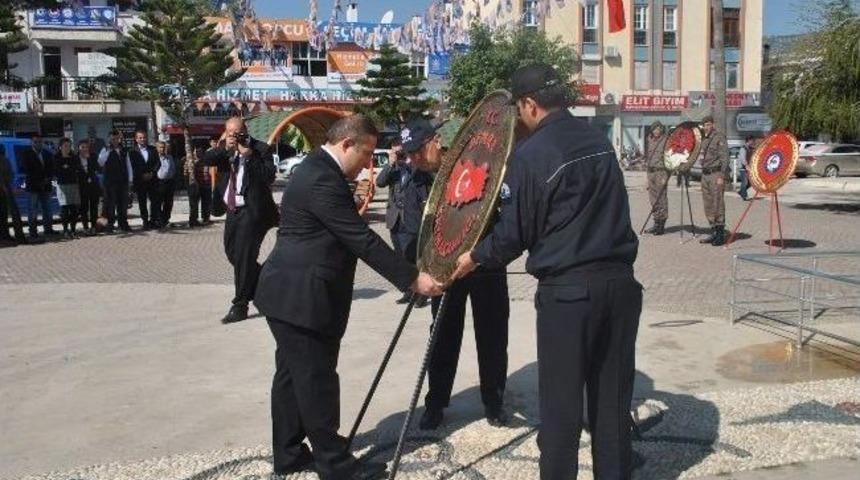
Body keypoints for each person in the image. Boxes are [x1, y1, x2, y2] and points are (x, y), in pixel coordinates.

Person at [452, 64, 642, 480]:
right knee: (612, 407)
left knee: (561, 411)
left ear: (528, 104)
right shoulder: (600, 141)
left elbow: (512, 235)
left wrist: (474, 258)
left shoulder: (532, 155)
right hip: (622, 287)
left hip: (570, 296)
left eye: (520, 111)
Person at [253, 115, 442, 480]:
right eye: (367, 153)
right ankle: (335, 465)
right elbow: (361, 240)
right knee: (316, 380)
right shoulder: (322, 179)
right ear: (346, 145)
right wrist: (413, 279)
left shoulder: (317, 169)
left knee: (292, 377)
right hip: (302, 298)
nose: (369, 163)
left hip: (289, 294)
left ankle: (289, 453)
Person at [399, 117, 512, 431]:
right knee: (442, 338)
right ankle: (436, 403)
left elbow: (502, 216)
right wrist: (423, 264)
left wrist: (483, 255)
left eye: (419, 151)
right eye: (409, 154)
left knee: (492, 336)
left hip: (483, 266)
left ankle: (494, 401)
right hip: (444, 275)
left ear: (435, 140)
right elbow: (411, 234)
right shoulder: (417, 183)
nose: (415, 159)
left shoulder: (474, 163)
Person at [204, 117, 279, 324]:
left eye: (237, 132)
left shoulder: (261, 149)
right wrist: (225, 148)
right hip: (232, 210)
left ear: (245, 130)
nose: (234, 136)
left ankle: (240, 305)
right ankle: (265, 283)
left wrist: (250, 157)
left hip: (253, 212)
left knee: (244, 257)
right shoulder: (224, 150)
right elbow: (206, 160)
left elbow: (269, 176)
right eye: (230, 132)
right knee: (233, 254)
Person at [374, 137, 433, 307]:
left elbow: (427, 178)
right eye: (394, 150)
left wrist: (411, 161)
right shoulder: (394, 168)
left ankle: (421, 293)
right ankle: (409, 291)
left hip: (412, 219)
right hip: (395, 220)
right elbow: (380, 182)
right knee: (401, 258)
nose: (398, 153)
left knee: (416, 257)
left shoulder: (418, 167)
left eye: (400, 150)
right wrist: (391, 163)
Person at [697, 115, 730, 246]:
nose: (707, 127)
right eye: (705, 125)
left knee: (718, 204)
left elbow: (725, 158)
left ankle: (721, 234)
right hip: (705, 175)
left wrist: (722, 176)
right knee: (708, 204)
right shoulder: (704, 139)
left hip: (716, 174)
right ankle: (713, 232)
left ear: (713, 125)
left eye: (709, 124)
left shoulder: (719, 137)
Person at [21, 134, 56, 239]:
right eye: (35, 142)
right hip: (33, 186)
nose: (38, 144)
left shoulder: (47, 154)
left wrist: (47, 179)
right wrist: (39, 181)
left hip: (46, 186)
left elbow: (51, 168)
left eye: (40, 142)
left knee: (47, 209)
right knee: (32, 209)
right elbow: (26, 169)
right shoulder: (26, 154)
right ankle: (33, 231)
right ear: (31, 142)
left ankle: (48, 229)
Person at [98, 130, 133, 233]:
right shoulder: (105, 149)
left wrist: (130, 180)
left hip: (123, 181)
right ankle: (110, 225)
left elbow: (128, 165)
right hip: (110, 182)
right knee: (110, 204)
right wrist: (108, 151)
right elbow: (100, 162)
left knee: (123, 204)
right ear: (109, 139)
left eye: (117, 138)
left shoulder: (124, 150)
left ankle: (123, 224)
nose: (115, 141)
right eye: (113, 139)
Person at [128, 130, 159, 230]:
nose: (142, 139)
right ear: (136, 139)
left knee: (154, 201)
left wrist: (151, 173)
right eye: (140, 138)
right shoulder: (132, 151)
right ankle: (145, 221)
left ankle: (153, 221)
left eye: (144, 137)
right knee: (142, 202)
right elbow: (131, 166)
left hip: (152, 180)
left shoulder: (153, 149)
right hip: (140, 181)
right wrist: (141, 175)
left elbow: (158, 163)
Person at [53, 138, 84, 239]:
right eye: (65, 146)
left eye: (69, 146)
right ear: (60, 146)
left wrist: (67, 168)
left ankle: (73, 230)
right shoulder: (56, 158)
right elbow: (57, 171)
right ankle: (65, 230)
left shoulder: (74, 157)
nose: (67, 148)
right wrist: (67, 168)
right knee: (65, 208)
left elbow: (77, 168)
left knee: (74, 209)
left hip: (73, 184)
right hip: (62, 185)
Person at [644, 121, 670, 235]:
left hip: (661, 172)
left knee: (661, 198)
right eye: (654, 129)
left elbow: (670, 158)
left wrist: (667, 175)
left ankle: (661, 225)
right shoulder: (649, 139)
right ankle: (656, 222)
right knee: (653, 199)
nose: (656, 131)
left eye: (659, 129)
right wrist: (646, 178)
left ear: (662, 130)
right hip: (651, 172)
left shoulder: (666, 140)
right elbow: (648, 158)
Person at [0, 145, 26, 244]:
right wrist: (5, 188)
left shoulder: (4, 160)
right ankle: (18, 236)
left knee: (3, 215)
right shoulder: (4, 160)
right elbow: (9, 176)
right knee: (14, 214)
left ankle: (4, 236)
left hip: (5, 188)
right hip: (5, 189)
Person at [76, 140, 101, 235]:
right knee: (84, 208)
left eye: (86, 147)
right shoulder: (75, 158)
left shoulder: (93, 156)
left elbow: (98, 168)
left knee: (94, 207)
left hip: (93, 186)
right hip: (82, 186)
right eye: (82, 147)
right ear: (79, 148)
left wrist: (89, 159)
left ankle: (93, 227)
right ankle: (85, 227)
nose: (84, 149)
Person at [151, 141, 176, 229]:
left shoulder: (169, 157)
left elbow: (173, 169)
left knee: (168, 203)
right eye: (160, 147)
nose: (162, 149)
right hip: (158, 183)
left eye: (163, 147)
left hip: (169, 182)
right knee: (158, 203)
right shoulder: (154, 158)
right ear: (156, 148)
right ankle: (159, 221)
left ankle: (166, 220)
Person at [186, 147, 212, 227]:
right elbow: (185, 174)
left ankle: (206, 218)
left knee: (206, 203)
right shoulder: (190, 162)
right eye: (196, 152)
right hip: (195, 186)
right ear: (193, 153)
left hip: (206, 185)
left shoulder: (207, 161)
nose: (198, 153)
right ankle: (193, 220)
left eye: (200, 151)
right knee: (194, 204)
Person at [737, 136, 754, 201]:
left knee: (750, 183)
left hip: (747, 168)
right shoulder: (743, 149)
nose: (752, 142)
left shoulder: (750, 148)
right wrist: (746, 165)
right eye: (752, 140)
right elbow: (742, 158)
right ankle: (744, 196)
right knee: (744, 182)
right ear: (748, 140)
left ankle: (741, 192)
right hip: (743, 168)